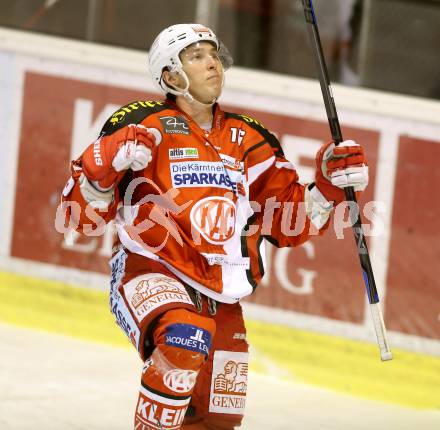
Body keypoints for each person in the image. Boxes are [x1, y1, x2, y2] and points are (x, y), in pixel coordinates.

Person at [60, 23, 368, 430]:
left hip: (223, 293)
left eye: (214, 54)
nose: (212, 64)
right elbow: (79, 219)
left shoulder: (250, 138)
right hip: (151, 269)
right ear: (170, 76)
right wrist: (98, 176)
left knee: (216, 419)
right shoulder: (140, 127)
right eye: (196, 56)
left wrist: (327, 187)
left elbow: (288, 220)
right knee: (183, 339)